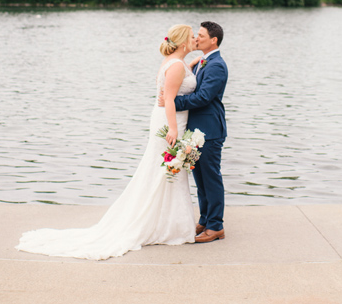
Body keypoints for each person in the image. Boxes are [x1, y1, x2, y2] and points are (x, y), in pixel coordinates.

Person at [16, 24, 199, 260]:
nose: (195, 39)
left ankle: (168, 223)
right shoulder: (175, 66)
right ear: (183, 41)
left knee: (165, 171)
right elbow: (171, 99)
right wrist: (173, 129)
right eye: (192, 36)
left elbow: (178, 81)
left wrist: (191, 65)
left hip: (169, 119)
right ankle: (163, 225)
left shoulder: (176, 62)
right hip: (169, 123)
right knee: (163, 170)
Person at [169, 21, 229, 243]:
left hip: (210, 130)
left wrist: (173, 102)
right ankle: (204, 220)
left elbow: (204, 97)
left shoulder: (217, 65)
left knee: (211, 178)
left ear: (213, 40)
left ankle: (216, 226)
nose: (197, 39)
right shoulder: (204, 61)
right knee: (200, 179)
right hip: (194, 131)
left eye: (201, 35)